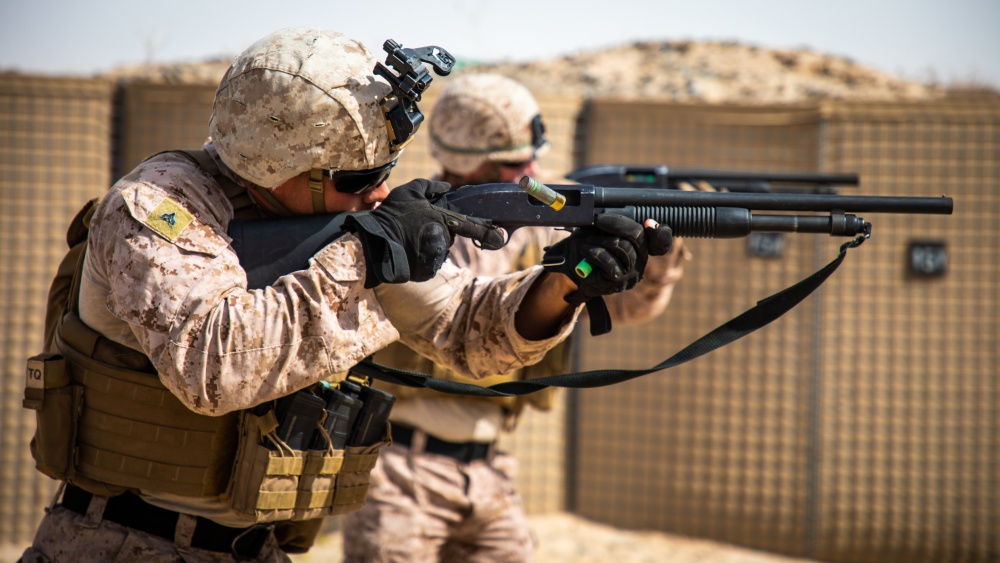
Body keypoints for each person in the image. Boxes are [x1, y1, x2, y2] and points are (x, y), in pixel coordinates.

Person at [19, 30, 673, 563]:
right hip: (114, 544)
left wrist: (563, 283)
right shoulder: (156, 207)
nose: (379, 195)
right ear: (282, 168)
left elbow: (473, 333)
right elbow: (212, 364)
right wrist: (364, 252)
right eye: (359, 179)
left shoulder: (344, 226)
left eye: (385, 175)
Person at [342, 73, 689, 563]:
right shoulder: (405, 231)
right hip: (400, 469)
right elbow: (462, 313)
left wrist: (658, 245)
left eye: (531, 154)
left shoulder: (534, 237)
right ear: (467, 160)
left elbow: (627, 306)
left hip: (489, 471)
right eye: (513, 162)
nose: (534, 168)